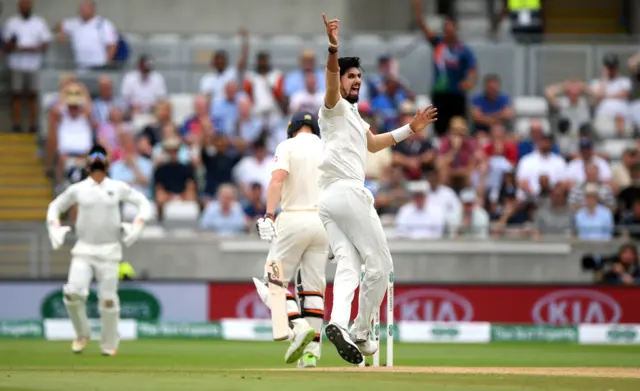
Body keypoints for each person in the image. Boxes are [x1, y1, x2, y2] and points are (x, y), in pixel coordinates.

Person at [318, 14, 437, 365]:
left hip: (328, 201)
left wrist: (410, 130)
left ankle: (338, 323)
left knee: (349, 268)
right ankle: (361, 329)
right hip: (347, 193)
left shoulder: (354, 116)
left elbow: (372, 145)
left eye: (358, 77)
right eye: (350, 76)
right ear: (340, 80)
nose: (355, 81)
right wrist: (333, 47)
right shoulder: (334, 107)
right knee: (381, 264)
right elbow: (329, 81)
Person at [46, 145, 151, 356]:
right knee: (73, 294)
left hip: (110, 251)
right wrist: (54, 229)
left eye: (100, 159)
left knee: (108, 299)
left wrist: (137, 226)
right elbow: (55, 207)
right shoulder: (78, 189)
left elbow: (143, 203)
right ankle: (82, 333)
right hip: (83, 250)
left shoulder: (117, 187)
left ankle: (109, 343)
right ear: (87, 166)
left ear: (107, 164)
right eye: (93, 160)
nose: (97, 164)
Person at [254, 112, 329, 368]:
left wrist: (268, 215)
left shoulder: (287, 146)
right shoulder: (327, 146)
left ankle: (297, 327)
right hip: (323, 223)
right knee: (312, 289)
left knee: (272, 280)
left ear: (292, 129)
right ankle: (310, 355)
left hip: (294, 219)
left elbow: (277, 180)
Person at [3, 0, 52, 133]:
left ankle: (33, 126)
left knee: (33, 95)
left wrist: (36, 48)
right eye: (23, 6)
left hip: (34, 65)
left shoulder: (39, 22)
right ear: (19, 8)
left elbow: (46, 42)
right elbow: (6, 43)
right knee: (16, 95)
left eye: (27, 6)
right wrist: (16, 47)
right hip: (16, 64)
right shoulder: (11, 22)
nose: (25, 8)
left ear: (31, 7)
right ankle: (17, 125)